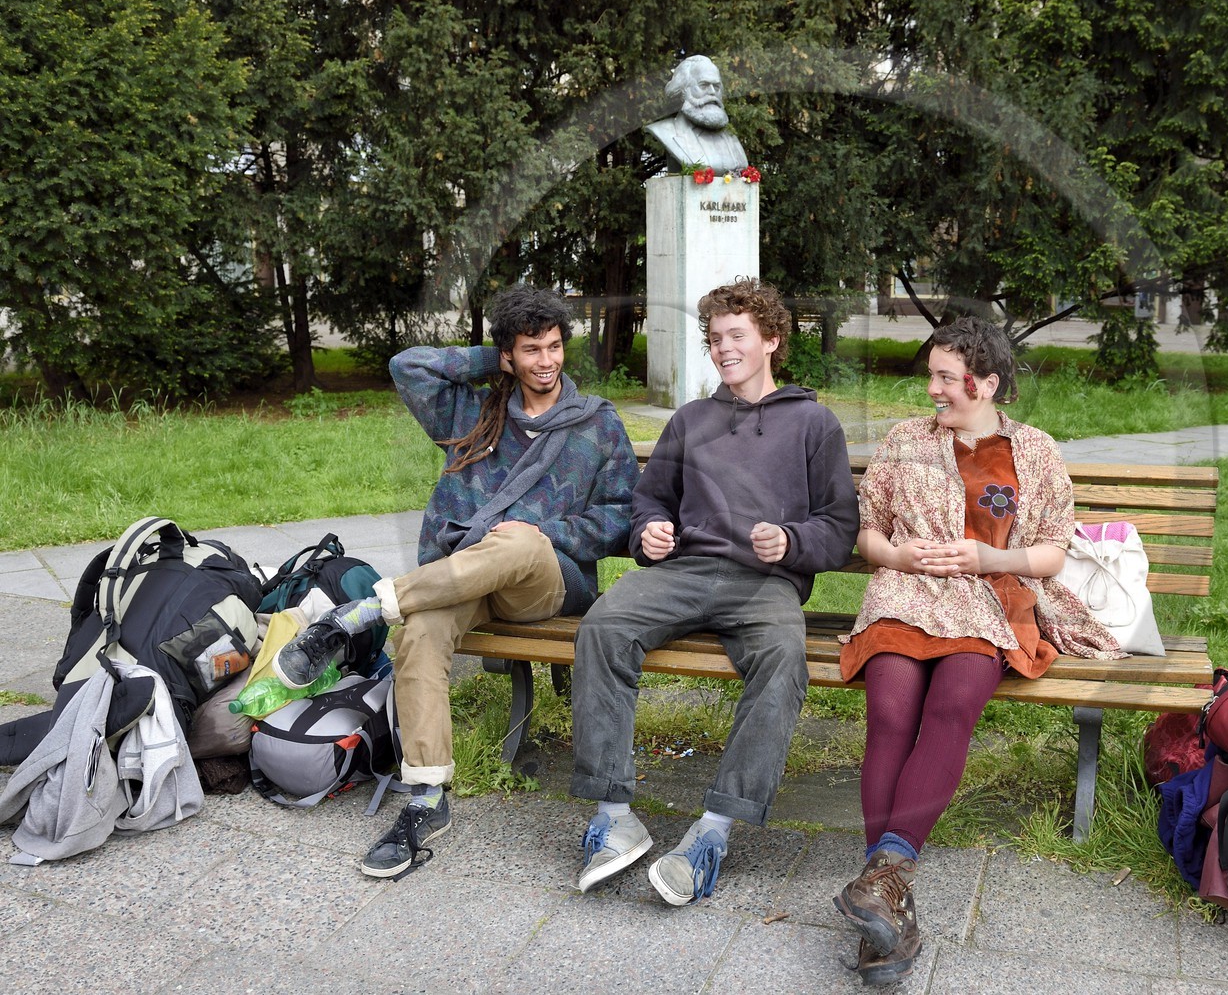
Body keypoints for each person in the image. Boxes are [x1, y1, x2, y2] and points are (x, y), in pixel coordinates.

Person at [272, 287, 638, 879]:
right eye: (530, 350)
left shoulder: (596, 423)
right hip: (461, 580)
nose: (546, 361)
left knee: (517, 540)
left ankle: (363, 612)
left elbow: (621, 515)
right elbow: (406, 367)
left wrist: (539, 531)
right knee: (419, 631)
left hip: (546, 583)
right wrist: (482, 361)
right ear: (507, 357)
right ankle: (424, 800)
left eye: (554, 347)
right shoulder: (474, 414)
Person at [831, 317, 1123, 984]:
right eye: (930, 374)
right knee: (892, 707)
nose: (932, 389)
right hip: (905, 594)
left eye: (947, 377)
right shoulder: (906, 440)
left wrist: (992, 554)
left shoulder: (1036, 452)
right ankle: (889, 891)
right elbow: (867, 531)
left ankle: (883, 885)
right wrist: (899, 553)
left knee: (956, 700)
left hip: (989, 598)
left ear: (988, 383)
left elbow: (1052, 549)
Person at [569, 279, 858, 906]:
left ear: (772, 341)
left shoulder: (813, 423)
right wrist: (649, 532)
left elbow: (839, 529)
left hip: (765, 585)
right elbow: (649, 500)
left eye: (737, 336)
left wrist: (791, 542)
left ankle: (713, 831)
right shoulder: (692, 420)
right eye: (715, 338)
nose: (723, 349)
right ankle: (614, 817)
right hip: (685, 573)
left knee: (784, 660)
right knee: (603, 626)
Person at [645, 54, 749, 173]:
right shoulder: (664, 131)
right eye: (704, 85)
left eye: (716, 86)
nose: (712, 92)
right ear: (683, 90)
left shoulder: (731, 138)